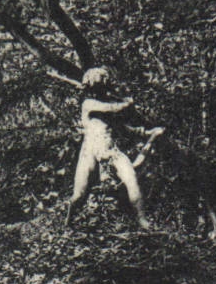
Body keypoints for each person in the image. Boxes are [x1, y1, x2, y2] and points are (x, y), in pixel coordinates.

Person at [65, 67, 163, 229]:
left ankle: (142, 219)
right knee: (79, 194)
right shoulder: (88, 104)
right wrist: (127, 103)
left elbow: (127, 128)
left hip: (111, 150)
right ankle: (68, 223)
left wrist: (148, 133)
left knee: (131, 180)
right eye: (100, 81)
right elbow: (111, 108)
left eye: (104, 81)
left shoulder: (109, 112)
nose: (103, 84)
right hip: (90, 151)